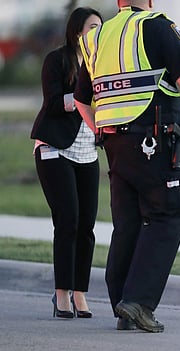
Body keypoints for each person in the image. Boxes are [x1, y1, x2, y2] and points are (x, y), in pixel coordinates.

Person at [74, 0, 180, 332]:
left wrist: (101, 129)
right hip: (154, 138)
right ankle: (138, 302)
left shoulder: (98, 35)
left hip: (114, 142)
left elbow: (82, 99)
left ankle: (123, 301)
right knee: (171, 210)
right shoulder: (156, 25)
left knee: (129, 221)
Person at [30, 7, 103, 319]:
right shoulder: (58, 59)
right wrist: (85, 96)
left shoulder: (105, 63)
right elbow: (53, 102)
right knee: (68, 219)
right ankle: (61, 295)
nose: (97, 32)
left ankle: (81, 294)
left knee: (87, 225)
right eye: (92, 27)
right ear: (77, 31)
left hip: (88, 152)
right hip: (55, 147)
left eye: (100, 27)